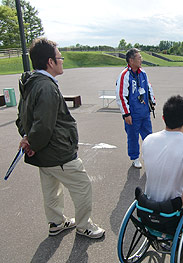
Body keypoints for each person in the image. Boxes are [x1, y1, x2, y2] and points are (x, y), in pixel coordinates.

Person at [16, 38, 105, 239]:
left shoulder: (30, 83)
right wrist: (32, 143)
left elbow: (22, 116)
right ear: (50, 62)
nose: (62, 61)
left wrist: (27, 139)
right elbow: (44, 126)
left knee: (51, 189)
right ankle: (84, 225)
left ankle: (56, 222)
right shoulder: (46, 87)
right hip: (57, 151)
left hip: (44, 153)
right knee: (82, 186)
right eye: (59, 57)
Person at [142, 95, 183, 206]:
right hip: (170, 210)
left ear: (163, 118)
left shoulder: (148, 140)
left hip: (148, 204)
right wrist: (178, 205)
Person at [116, 48, 156, 169]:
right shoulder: (124, 75)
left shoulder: (143, 72)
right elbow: (121, 96)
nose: (141, 60)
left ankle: (148, 156)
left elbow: (149, 87)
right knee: (133, 137)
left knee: (149, 136)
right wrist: (126, 114)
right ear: (131, 60)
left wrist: (152, 101)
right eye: (139, 58)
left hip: (144, 111)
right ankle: (135, 158)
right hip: (132, 114)